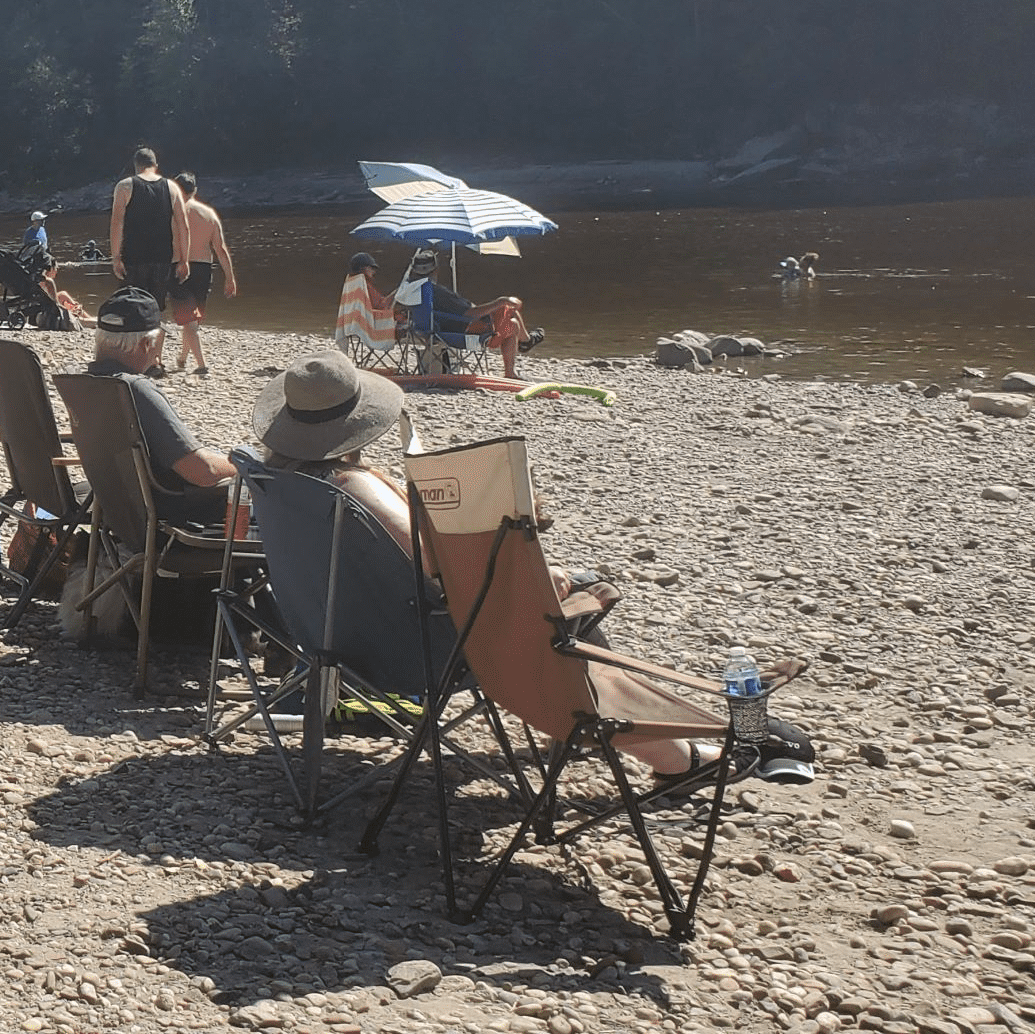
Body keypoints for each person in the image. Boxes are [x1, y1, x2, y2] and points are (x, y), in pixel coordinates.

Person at [251, 348, 795, 777]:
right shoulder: (355, 487)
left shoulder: (279, 484)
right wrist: (533, 572)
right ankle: (664, 754)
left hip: (330, 643)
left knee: (562, 593)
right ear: (358, 422)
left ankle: (598, 727)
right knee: (575, 593)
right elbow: (442, 570)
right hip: (416, 656)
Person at [83, 288, 236, 525]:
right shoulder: (134, 390)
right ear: (146, 344)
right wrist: (247, 464)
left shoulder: (87, 385)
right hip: (172, 520)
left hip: (122, 515)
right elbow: (204, 472)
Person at [107, 149, 189, 370]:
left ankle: (131, 357)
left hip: (133, 258)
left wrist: (115, 257)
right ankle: (155, 359)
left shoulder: (125, 186)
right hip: (163, 258)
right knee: (156, 309)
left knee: (132, 306)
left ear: (136, 165)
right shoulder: (172, 187)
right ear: (156, 164)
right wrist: (184, 260)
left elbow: (117, 224)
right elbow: (183, 225)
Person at [409, 249, 534, 378]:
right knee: (511, 320)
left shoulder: (413, 290)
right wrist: (500, 301)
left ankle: (526, 341)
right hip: (466, 332)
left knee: (509, 313)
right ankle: (521, 350)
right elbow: (471, 315)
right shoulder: (439, 293)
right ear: (436, 270)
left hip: (433, 330)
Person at [170, 174, 238, 376]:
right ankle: (182, 357)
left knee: (189, 319)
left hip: (179, 266)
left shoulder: (173, 213)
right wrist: (230, 277)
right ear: (195, 190)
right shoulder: (209, 214)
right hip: (203, 269)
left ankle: (201, 364)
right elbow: (221, 248)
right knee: (193, 319)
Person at [335, 252, 397, 355]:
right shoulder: (363, 284)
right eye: (372, 268)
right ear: (363, 268)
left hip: (350, 324)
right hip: (371, 323)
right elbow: (381, 305)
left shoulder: (351, 282)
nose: (374, 271)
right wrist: (396, 294)